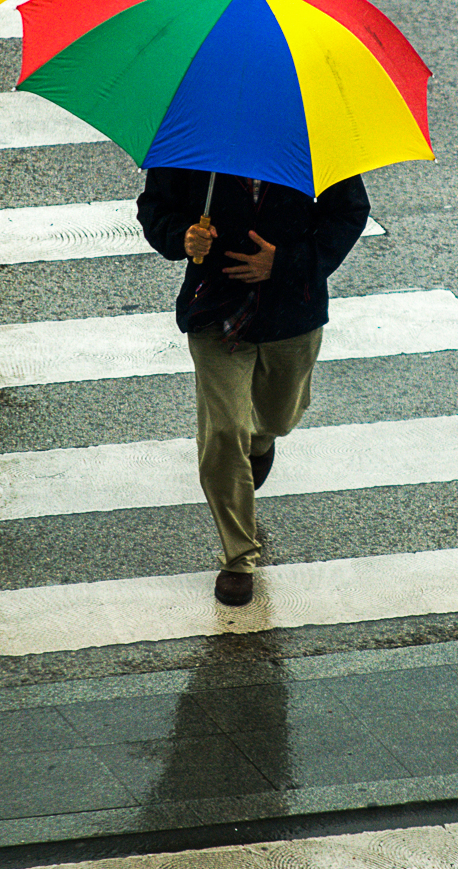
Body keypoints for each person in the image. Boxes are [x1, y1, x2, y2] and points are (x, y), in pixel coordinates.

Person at [136, 167, 370, 606]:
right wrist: (181, 237)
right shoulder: (197, 142)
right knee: (224, 433)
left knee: (280, 415)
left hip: (292, 312)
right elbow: (155, 208)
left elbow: (348, 213)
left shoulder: (307, 138)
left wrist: (282, 263)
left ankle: (260, 442)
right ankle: (238, 558)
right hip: (214, 311)